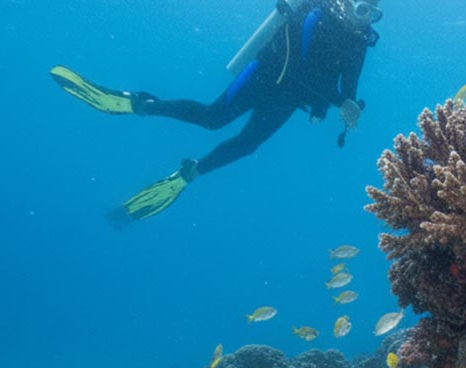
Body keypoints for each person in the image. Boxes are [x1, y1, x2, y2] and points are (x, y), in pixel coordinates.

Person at [50, 0, 381, 227]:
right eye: (363, 9)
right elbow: (295, 68)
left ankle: (190, 173)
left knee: (247, 145)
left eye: (373, 14)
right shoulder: (315, 13)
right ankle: (139, 104)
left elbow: (348, 86)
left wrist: (347, 106)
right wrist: (338, 102)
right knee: (212, 118)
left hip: (291, 99)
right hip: (267, 76)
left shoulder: (359, 42)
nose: (366, 18)